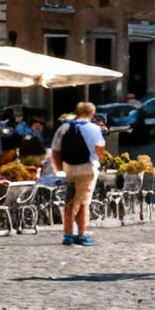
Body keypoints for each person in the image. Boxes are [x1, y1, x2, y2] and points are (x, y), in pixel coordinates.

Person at [52, 101, 105, 247]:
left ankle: (69, 233)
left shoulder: (64, 127)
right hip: (88, 168)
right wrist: (101, 161)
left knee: (70, 199)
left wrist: (59, 169)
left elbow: (55, 150)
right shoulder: (94, 128)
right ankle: (79, 234)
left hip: (69, 168)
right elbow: (100, 150)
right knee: (83, 202)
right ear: (91, 113)